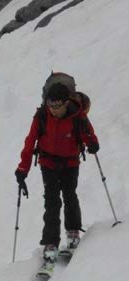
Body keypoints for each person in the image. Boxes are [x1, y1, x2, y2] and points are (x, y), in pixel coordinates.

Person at [15, 82, 99, 262]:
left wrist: (92, 142)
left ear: (66, 103)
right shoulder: (41, 116)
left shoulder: (77, 115)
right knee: (52, 201)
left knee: (69, 195)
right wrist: (23, 168)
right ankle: (51, 242)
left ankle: (73, 230)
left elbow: (87, 132)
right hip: (48, 163)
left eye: (57, 106)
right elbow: (30, 142)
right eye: (50, 105)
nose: (53, 110)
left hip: (70, 162)